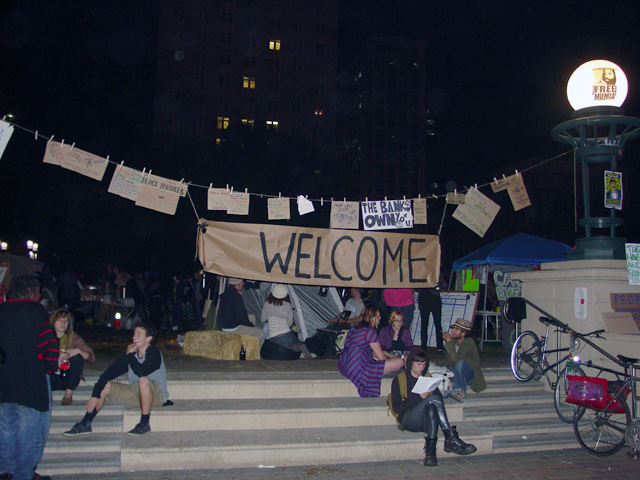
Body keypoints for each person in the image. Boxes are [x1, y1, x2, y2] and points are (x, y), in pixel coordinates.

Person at [63, 322, 170, 437]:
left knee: (143, 380)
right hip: (135, 392)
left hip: (156, 394)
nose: (134, 337)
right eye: (134, 333)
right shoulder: (130, 354)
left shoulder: (154, 352)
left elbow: (142, 372)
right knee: (106, 384)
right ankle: (86, 422)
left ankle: (144, 423)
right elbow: (106, 375)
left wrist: (129, 356)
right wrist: (94, 396)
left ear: (148, 338)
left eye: (139, 334)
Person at [0, 276, 59, 480]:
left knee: (6, 428)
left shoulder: (1, 310)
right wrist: (50, 368)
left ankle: (6, 471)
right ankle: (23, 474)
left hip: (4, 382)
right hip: (30, 381)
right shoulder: (36, 311)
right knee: (30, 432)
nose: (39, 295)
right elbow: (49, 345)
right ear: (30, 291)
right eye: (37, 291)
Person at [390, 348, 476, 466]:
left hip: (428, 422)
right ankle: (450, 436)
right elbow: (397, 408)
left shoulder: (427, 377)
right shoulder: (399, 379)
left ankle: (431, 453)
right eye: (418, 364)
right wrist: (418, 397)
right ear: (411, 363)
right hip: (408, 419)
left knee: (432, 405)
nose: (421, 367)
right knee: (432, 400)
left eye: (424, 364)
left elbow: (439, 401)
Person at [338, 306, 404, 397]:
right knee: (400, 362)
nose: (380, 318)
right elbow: (381, 357)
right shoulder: (369, 331)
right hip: (357, 367)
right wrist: (391, 359)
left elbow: (361, 349)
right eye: (378, 316)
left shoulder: (354, 328)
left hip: (345, 365)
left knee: (376, 358)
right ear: (372, 318)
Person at [49, 308, 96, 406]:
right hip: (51, 378)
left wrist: (78, 351)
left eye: (66, 321)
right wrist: (56, 357)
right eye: (60, 320)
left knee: (77, 357)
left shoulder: (74, 338)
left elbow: (91, 358)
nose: (63, 323)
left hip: (68, 378)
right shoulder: (46, 338)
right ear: (53, 322)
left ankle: (68, 395)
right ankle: (47, 394)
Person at [261, 284, 312, 359]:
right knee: (296, 341)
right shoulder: (287, 305)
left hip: (274, 336)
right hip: (287, 333)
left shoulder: (267, 304)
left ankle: (287, 345)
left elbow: (262, 319)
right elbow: (290, 323)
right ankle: (299, 345)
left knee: (276, 346)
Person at [440, 318, 486, 402]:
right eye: (453, 328)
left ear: (463, 333)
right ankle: (445, 392)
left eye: (456, 329)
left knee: (460, 363)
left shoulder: (469, 343)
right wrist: (434, 363)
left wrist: (449, 342)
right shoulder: (454, 343)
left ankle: (460, 391)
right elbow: (448, 361)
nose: (452, 331)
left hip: (470, 375)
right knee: (442, 369)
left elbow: (457, 359)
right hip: (456, 372)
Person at [216, 277, 265, 348]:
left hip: (225, 325)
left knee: (252, 317)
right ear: (237, 284)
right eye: (241, 282)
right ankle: (253, 354)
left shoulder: (224, 294)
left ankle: (246, 342)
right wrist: (252, 326)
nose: (243, 283)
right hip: (233, 328)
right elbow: (242, 317)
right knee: (261, 333)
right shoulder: (236, 296)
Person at [416, 286, 444, 352]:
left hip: (435, 302)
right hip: (424, 301)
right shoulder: (421, 276)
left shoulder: (436, 275)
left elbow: (442, 285)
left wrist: (434, 289)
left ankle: (440, 346)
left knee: (438, 325)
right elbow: (416, 287)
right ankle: (423, 346)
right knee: (424, 325)